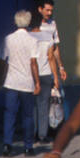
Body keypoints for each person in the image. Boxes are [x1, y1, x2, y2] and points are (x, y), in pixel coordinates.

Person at [0, 10, 40, 155]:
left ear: (15, 22)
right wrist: (37, 82)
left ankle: (7, 144)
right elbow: (33, 63)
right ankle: (28, 146)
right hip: (27, 83)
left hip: (11, 82)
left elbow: (2, 62)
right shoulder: (33, 40)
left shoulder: (8, 39)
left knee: (9, 114)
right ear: (28, 22)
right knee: (27, 115)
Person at [27, 11, 58, 145]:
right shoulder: (47, 37)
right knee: (43, 105)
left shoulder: (26, 37)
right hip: (45, 73)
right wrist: (55, 77)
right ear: (41, 23)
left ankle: (32, 134)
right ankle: (42, 135)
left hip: (30, 74)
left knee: (31, 106)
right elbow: (51, 58)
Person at [37, 0, 66, 84]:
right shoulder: (33, 26)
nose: (49, 13)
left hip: (48, 70)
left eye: (51, 10)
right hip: (34, 69)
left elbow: (55, 47)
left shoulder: (52, 24)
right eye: (47, 10)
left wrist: (61, 67)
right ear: (40, 9)